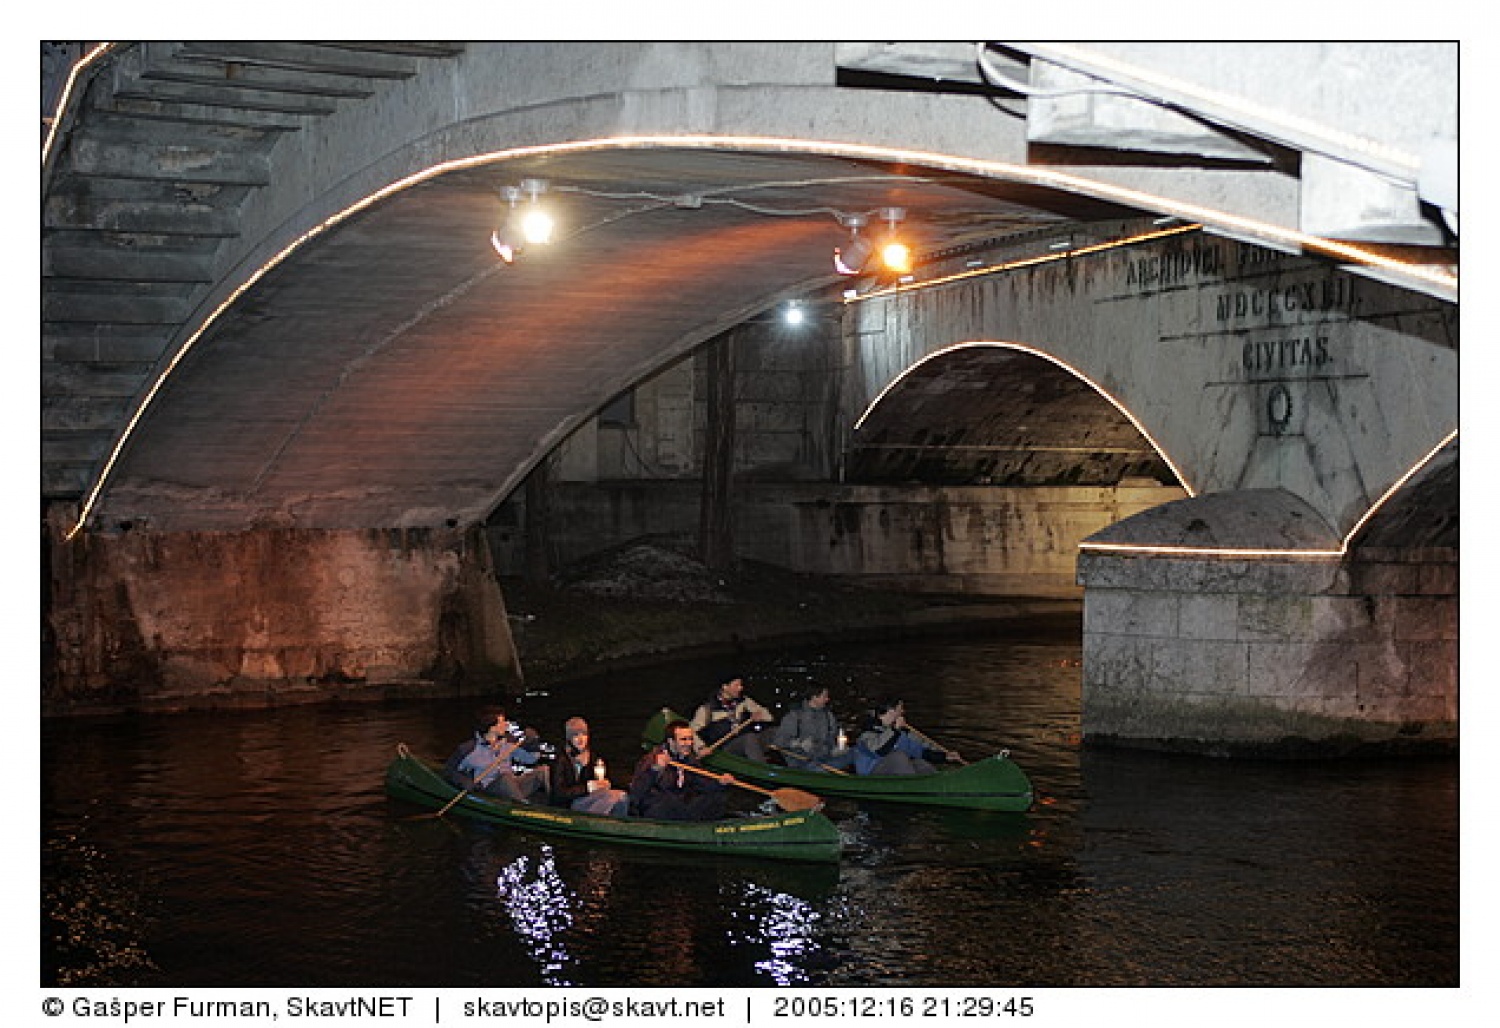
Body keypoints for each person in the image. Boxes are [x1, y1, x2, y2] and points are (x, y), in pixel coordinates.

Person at [630, 718, 733, 820]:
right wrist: (655, 769)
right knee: (670, 804)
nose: (689, 743)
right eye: (684, 739)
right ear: (671, 741)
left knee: (717, 798)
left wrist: (720, 782)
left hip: (681, 805)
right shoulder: (652, 759)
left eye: (691, 739)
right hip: (658, 807)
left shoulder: (689, 759)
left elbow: (702, 783)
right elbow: (636, 792)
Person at [444, 705, 548, 802]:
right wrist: (463, 781)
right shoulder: (469, 749)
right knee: (504, 779)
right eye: (502, 722)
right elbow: (449, 770)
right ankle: (523, 808)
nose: (506, 724)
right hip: (489, 789)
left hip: (512, 785)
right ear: (492, 727)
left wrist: (533, 742)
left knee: (543, 771)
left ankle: (554, 805)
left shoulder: (507, 742)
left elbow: (531, 759)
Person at [854, 697, 962, 775]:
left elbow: (921, 750)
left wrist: (945, 756)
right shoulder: (867, 732)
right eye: (900, 709)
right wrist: (894, 730)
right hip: (871, 773)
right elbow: (878, 750)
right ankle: (913, 786)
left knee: (920, 763)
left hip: (894, 768)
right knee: (899, 757)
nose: (903, 712)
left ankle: (938, 783)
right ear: (891, 712)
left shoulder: (901, 732)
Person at [549, 716, 630, 817]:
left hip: (586, 799)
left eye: (584, 734)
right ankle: (593, 824)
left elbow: (597, 781)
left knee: (622, 797)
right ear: (569, 739)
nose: (581, 739)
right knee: (614, 797)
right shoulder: (561, 759)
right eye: (576, 735)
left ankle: (616, 826)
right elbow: (559, 794)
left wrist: (604, 783)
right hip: (569, 804)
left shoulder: (591, 757)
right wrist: (587, 788)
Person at [690, 673, 774, 762]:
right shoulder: (707, 710)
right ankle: (760, 768)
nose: (740, 688)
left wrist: (760, 715)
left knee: (774, 732)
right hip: (726, 749)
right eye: (737, 685)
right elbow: (691, 730)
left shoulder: (744, 701)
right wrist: (700, 747)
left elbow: (769, 717)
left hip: (748, 742)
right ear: (725, 687)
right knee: (749, 738)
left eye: (741, 685)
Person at [771, 684, 853, 771]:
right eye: (824, 696)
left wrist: (838, 749)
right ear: (814, 697)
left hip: (826, 759)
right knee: (820, 769)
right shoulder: (795, 716)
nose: (827, 699)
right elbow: (778, 741)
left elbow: (833, 737)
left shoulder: (828, 716)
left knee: (855, 752)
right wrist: (799, 744)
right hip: (803, 762)